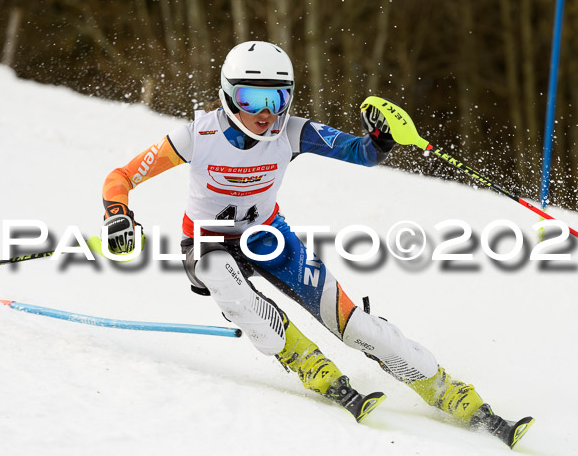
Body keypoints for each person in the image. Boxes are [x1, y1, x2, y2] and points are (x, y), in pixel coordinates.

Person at [101, 41, 532, 448]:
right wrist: (117, 213)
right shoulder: (197, 135)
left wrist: (380, 140)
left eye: (278, 99)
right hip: (207, 240)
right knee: (220, 276)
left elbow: (359, 153)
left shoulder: (292, 131)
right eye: (253, 99)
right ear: (229, 96)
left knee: (356, 325)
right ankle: (307, 362)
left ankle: (450, 391)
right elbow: (119, 177)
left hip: (269, 237)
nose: (266, 113)